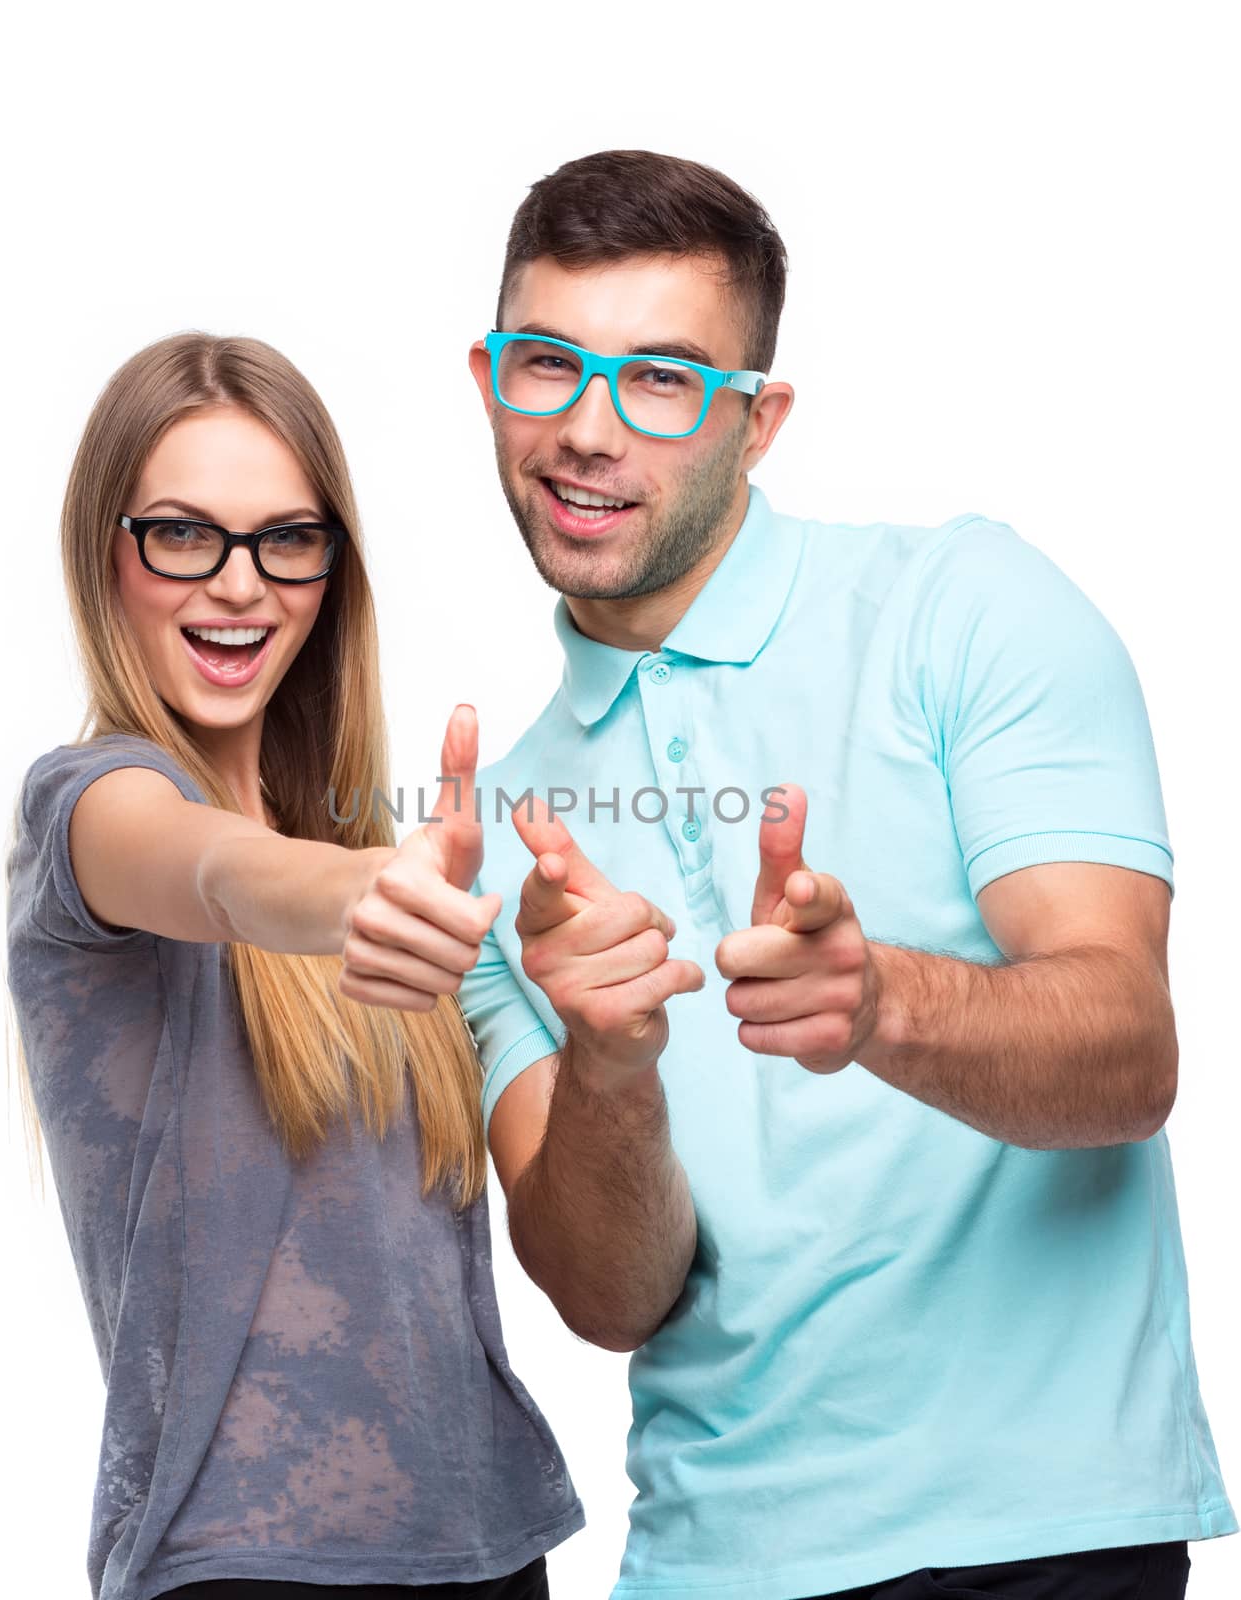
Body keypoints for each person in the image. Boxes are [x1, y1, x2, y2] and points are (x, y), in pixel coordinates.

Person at [456, 149, 1235, 1600]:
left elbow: (1131, 1052)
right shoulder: (499, 830)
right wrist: (612, 1068)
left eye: (665, 381)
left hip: (1039, 1543)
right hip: (703, 1567)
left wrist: (878, 1005)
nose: (587, 429)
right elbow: (612, 1298)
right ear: (488, 381)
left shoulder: (964, 606)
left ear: (759, 423)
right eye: (546, 365)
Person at [4, 332, 582, 1600]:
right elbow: (209, 868)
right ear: (107, 550)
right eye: (182, 534)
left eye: (286, 538)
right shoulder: (91, 804)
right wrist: (351, 892)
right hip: (245, 1566)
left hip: (489, 1547)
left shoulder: (375, 850)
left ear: (332, 570)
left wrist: (608, 1033)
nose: (239, 585)